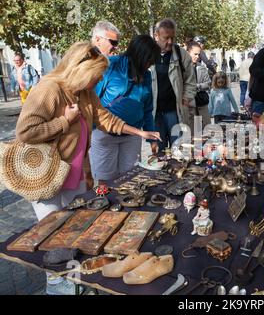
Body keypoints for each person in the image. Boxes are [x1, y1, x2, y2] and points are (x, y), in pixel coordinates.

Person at [15, 42, 160, 294]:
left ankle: (74, 278)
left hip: (75, 171)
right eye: (96, 76)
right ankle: (55, 285)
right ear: (81, 70)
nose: (98, 81)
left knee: (75, 229)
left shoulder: (84, 92)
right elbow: (25, 131)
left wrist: (139, 131)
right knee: (52, 235)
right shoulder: (49, 89)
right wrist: (64, 121)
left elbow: (105, 118)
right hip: (45, 175)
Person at [89, 35, 161, 185]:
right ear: (139, 56)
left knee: (131, 179)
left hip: (132, 135)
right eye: (149, 61)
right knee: (106, 182)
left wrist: (151, 138)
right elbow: (92, 100)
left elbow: (147, 109)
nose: (150, 65)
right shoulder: (110, 66)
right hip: (105, 135)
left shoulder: (146, 76)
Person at [150, 18, 197, 149]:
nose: (170, 42)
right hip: (155, 114)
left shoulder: (182, 55)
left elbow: (190, 80)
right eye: (166, 38)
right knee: (159, 153)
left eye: (173, 38)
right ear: (156, 36)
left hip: (175, 112)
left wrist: (186, 98)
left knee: (180, 151)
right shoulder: (147, 54)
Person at [187, 41, 211, 129]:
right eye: (195, 54)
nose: (197, 57)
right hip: (189, 106)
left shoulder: (201, 67)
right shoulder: (181, 68)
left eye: (199, 54)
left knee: (206, 132)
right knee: (192, 134)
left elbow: (208, 83)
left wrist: (197, 86)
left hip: (201, 103)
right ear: (188, 53)